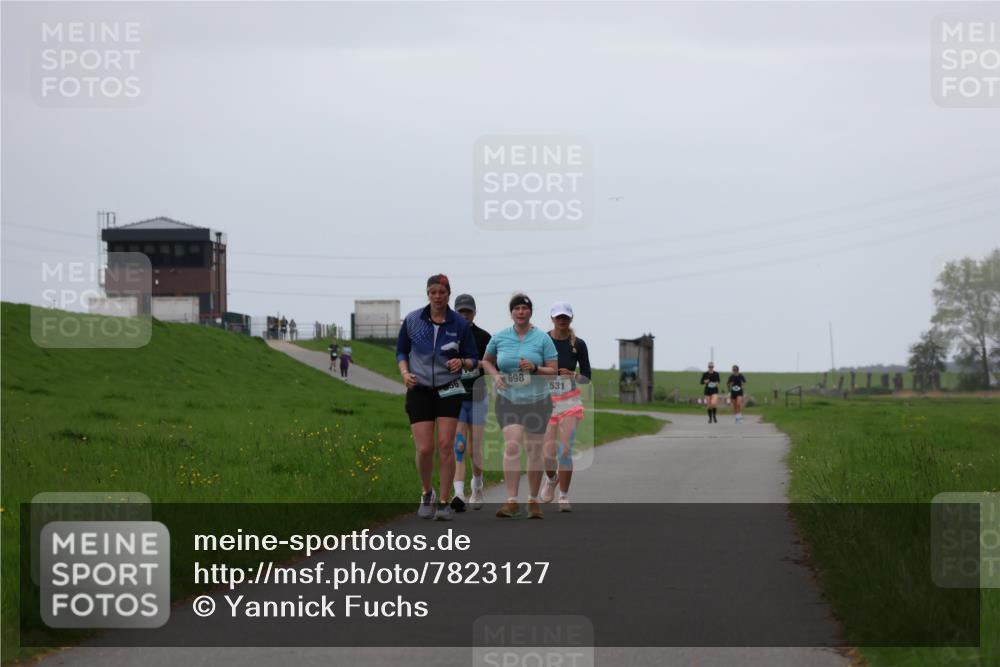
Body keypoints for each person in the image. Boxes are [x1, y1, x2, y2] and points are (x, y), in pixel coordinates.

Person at [396, 274, 479, 521]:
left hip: (449, 387)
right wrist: (404, 373)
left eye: (442, 292)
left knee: (445, 446)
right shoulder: (413, 320)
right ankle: (427, 492)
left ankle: (444, 502)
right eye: (433, 292)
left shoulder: (459, 324)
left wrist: (462, 362)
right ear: (428, 294)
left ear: (448, 294)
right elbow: (401, 350)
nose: (437, 296)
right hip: (419, 387)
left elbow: (474, 358)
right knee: (424, 448)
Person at [482, 293, 558, 519]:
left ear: (530, 312)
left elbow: (553, 370)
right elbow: (486, 360)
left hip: (537, 400)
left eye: (525, 308)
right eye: (517, 308)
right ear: (511, 312)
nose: (521, 312)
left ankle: (533, 500)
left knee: (534, 450)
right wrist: (495, 376)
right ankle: (511, 500)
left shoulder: (542, 338)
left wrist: (535, 368)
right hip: (509, 400)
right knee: (512, 446)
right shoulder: (500, 337)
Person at [542, 301, 590, 512]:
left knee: (565, 450)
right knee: (547, 453)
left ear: (570, 319)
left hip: (570, 401)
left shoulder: (578, 344)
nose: (562, 320)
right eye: (558, 316)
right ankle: (551, 479)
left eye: (566, 317)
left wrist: (574, 375)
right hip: (545, 401)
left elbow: (587, 377)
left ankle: (563, 496)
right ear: (552, 318)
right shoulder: (542, 340)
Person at [452, 294, 492, 510]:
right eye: (461, 312)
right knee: (458, 444)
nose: (465, 315)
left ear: (474, 313)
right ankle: (458, 493)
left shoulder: (484, 337)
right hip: (455, 398)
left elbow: (491, 363)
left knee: (474, 447)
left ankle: (477, 485)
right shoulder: (448, 335)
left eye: (468, 311)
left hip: (478, 397)